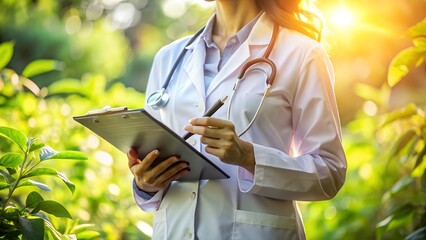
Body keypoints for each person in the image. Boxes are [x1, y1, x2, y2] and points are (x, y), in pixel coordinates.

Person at [127, 0, 347, 239]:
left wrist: (248, 157)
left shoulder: (303, 54)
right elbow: (154, 165)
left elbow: (330, 172)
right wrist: (145, 184)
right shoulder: (169, 57)